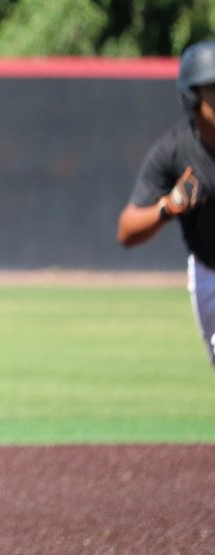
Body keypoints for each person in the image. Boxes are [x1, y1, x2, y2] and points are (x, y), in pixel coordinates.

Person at [118, 40, 215, 369]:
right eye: (213, 89)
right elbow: (127, 230)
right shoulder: (174, 151)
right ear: (192, 96)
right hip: (207, 274)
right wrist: (168, 207)